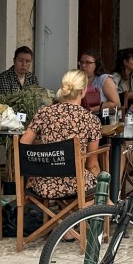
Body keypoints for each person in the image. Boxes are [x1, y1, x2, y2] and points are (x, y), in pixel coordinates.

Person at [20, 69, 103, 198]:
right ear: (82, 91)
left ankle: (58, 217)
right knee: (100, 186)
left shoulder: (44, 112)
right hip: (77, 185)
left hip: (43, 185)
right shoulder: (91, 119)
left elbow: (24, 145)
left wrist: (46, 146)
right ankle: (91, 215)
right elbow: (92, 165)